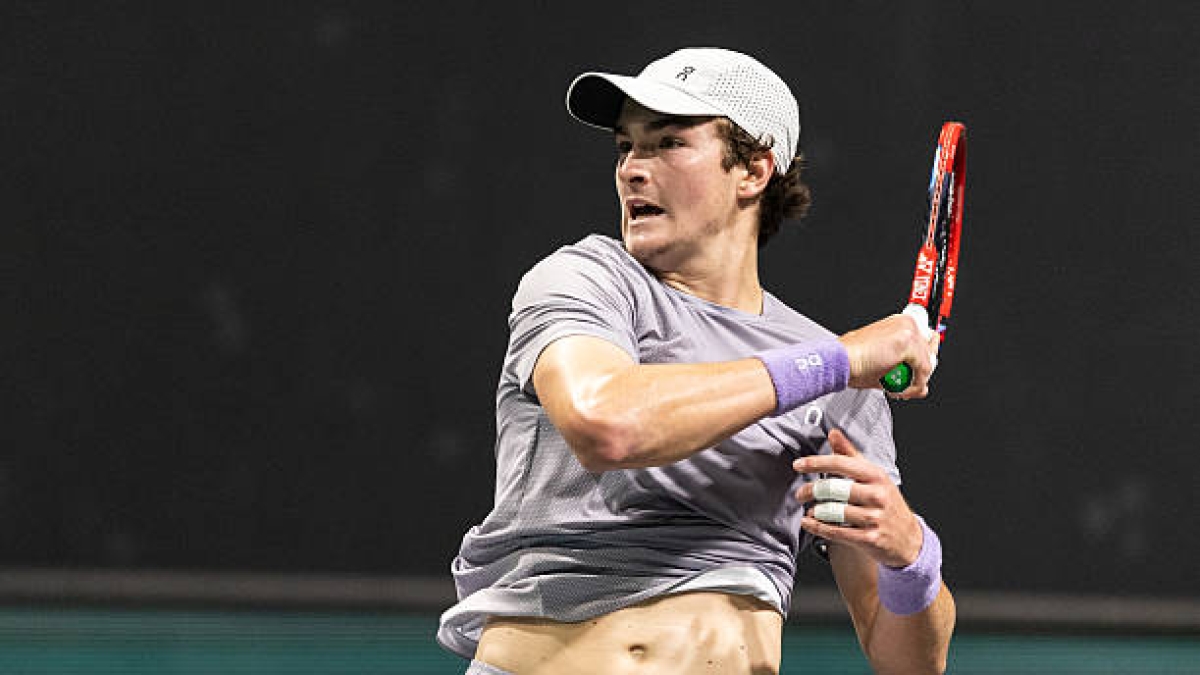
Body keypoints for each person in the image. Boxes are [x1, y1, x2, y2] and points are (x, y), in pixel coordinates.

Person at [437, 47, 955, 674]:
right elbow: (606, 424)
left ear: (754, 169)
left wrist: (910, 555)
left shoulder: (841, 377)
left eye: (668, 143)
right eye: (626, 147)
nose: (632, 169)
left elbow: (907, 665)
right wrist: (836, 359)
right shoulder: (585, 280)